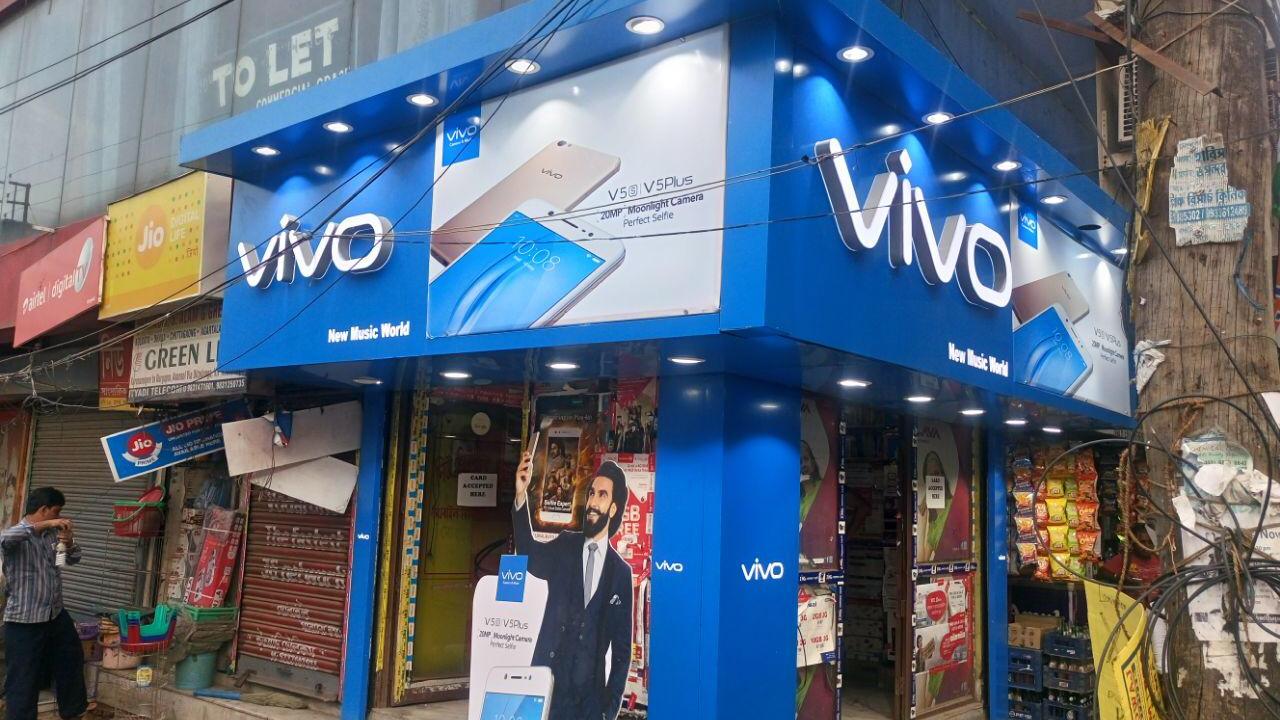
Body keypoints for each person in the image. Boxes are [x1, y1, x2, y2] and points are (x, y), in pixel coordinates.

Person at [514, 455, 633, 720]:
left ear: (614, 508)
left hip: (589, 704)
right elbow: (529, 555)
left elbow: (622, 652)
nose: (592, 502)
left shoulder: (621, 574)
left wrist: (609, 709)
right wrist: (521, 496)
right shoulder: (565, 545)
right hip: (548, 691)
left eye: (602, 495)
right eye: (591, 493)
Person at [2, 487, 91, 720]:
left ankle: (74, 712)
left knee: (70, 659)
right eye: (56, 512)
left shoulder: (52, 535)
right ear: (43, 510)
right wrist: (47, 524)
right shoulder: (18, 535)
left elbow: (74, 559)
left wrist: (69, 543)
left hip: (55, 614)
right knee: (23, 677)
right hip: (25, 619)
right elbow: (5, 539)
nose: (59, 517)